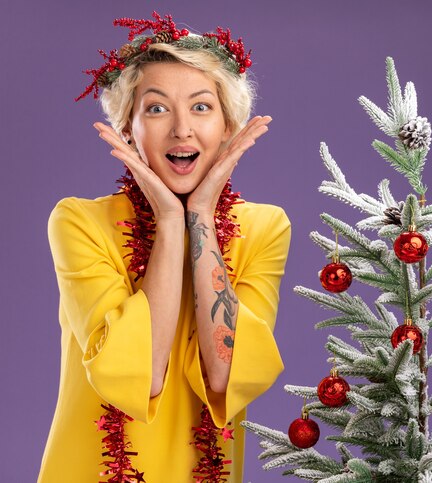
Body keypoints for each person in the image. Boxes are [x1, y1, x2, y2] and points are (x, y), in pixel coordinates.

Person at [38, 12, 290, 483]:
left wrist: (200, 220)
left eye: (201, 107)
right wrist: (172, 222)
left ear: (228, 126)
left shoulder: (265, 227)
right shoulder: (78, 221)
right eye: (156, 108)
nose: (181, 130)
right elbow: (142, 376)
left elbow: (226, 376)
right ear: (127, 128)